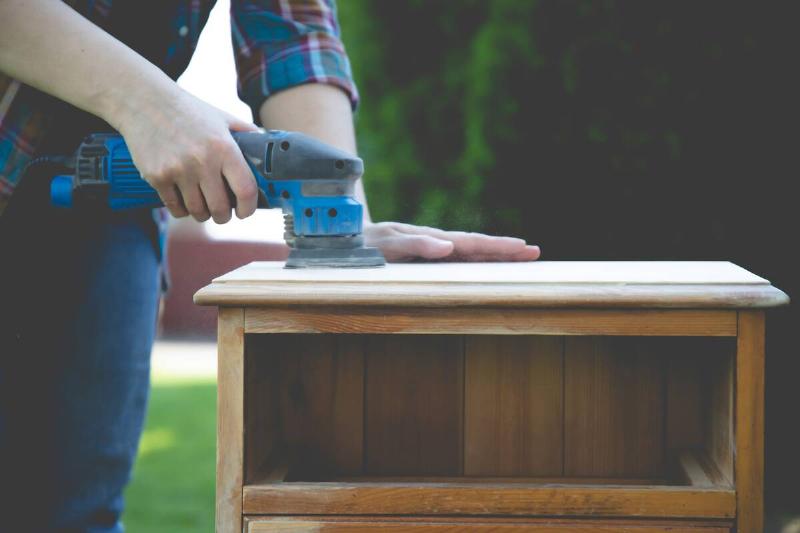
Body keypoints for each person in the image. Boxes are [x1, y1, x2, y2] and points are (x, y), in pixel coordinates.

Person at [0, 1, 539, 531]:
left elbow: (294, 29)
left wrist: (342, 225)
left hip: (106, 199)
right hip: (46, 142)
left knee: (74, 511)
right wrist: (149, 105)